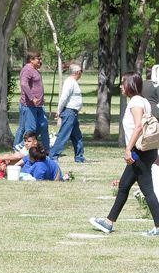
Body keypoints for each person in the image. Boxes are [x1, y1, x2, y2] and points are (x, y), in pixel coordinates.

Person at [91, 73, 159, 236]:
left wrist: (128, 149)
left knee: (147, 189)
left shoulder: (136, 102)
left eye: (123, 83)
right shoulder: (142, 101)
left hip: (139, 152)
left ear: (130, 85)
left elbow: (138, 127)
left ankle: (158, 226)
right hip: (146, 151)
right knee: (124, 186)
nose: (121, 86)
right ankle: (109, 222)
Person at [15, 50, 50, 150]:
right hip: (29, 105)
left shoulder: (35, 69)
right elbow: (24, 84)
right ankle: (21, 147)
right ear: (31, 60)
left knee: (43, 126)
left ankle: (47, 152)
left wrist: (41, 98)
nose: (40, 60)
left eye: (40, 58)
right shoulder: (27, 70)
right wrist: (32, 98)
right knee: (29, 129)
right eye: (38, 59)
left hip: (39, 105)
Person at [50, 63, 85, 163]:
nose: (81, 74)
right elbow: (64, 98)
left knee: (77, 136)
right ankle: (53, 156)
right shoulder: (69, 82)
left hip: (73, 113)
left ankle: (79, 157)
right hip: (69, 112)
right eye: (81, 72)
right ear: (77, 72)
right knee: (63, 135)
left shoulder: (73, 82)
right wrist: (58, 111)